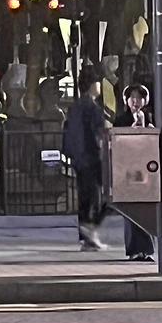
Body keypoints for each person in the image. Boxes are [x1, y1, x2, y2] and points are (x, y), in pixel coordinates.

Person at [64, 67, 111, 250]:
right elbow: (99, 134)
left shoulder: (74, 107)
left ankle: (85, 237)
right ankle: (92, 228)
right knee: (103, 196)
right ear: (94, 85)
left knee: (84, 197)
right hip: (92, 156)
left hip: (78, 158)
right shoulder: (93, 108)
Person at [112, 83, 156, 263]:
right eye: (133, 98)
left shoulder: (151, 117)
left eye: (139, 98)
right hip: (128, 168)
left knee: (146, 209)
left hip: (146, 167)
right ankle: (133, 250)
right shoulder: (121, 119)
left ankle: (146, 249)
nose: (136, 101)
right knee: (131, 210)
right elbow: (117, 141)